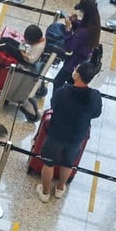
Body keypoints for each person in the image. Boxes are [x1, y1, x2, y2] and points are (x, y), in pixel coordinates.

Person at [35, 61, 102, 202]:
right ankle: (60, 188)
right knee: (68, 163)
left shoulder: (63, 91)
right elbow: (96, 113)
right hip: (78, 136)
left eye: (76, 68)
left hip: (57, 133)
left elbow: (54, 105)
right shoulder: (95, 96)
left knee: (48, 162)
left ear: (77, 75)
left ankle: (45, 192)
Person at [52, 0, 101, 91]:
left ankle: (56, 104)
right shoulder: (94, 24)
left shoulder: (83, 32)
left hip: (74, 63)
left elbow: (70, 46)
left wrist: (68, 29)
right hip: (82, 60)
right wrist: (75, 22)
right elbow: (83, 27)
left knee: (57, 82)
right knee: (72, 83)